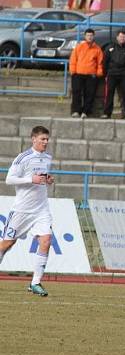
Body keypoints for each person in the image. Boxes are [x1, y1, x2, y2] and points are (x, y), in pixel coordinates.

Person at [0, 126, 56, 296]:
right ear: (34, 139)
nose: (46, 142)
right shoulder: (23, 157)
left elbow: (41, 177)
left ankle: (35, 283)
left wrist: (47, 180)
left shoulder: (47, 158)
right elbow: (9, 179)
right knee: (7, 244)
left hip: (41, 209)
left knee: (46, 240)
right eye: (42, 139)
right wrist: (30, 179)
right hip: (22, 210)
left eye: (47, 139)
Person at [68, 28, 104, 118]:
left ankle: (86, 112)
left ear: (94, 36)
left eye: (91, 35)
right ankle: (76, 111)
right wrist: (72, 70)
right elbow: (73, 59)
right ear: (85, 36)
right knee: (76, 93)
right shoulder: (79, 47)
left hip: (91, 75)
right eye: (88, 35)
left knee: (89, 94)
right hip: (78, 73)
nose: (89, 37)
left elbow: (100, 62)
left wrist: (99, 73)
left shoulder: (97, 49)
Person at [101, 30, 125, 120]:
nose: (122, 39)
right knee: (109, 93)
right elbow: (105, 62)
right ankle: (106, 113)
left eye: (124, 37)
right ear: (117, 37)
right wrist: (105, 74)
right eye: (121, 37)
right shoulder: (110, 48)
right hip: (112, 74)